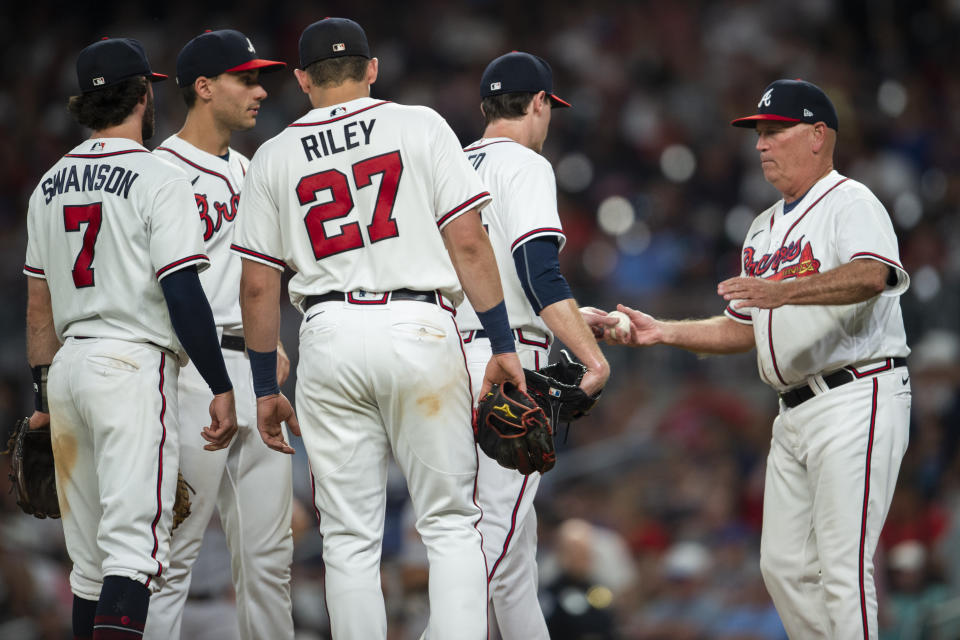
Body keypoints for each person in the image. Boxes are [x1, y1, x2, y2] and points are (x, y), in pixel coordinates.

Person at [231, 17, 525, 640]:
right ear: (371, 69)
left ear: (303, 79)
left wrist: (263, 385)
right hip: (420, 324)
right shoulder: (419, 124)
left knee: (347, 540)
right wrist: (502, 343)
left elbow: (257, 286)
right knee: (449, 523)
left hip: (329, 333)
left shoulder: (273, 153)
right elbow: (469, 243)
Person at [591, 79, 911, 638]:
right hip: (793, 409)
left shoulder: (851, 200)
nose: (762, 144)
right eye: (759, 134)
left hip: (859, 391)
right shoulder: (762, 229)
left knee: (843, 567)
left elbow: (874, 274)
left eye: (775, 132)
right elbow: (744, 329)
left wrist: (784, 291)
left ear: (817, 136)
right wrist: (662, 332)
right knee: (782, 567)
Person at [23, 37, 237, 639]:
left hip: (67, 372)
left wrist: (42, 399)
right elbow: (183, 291)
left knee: (89, 569)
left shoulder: (48, 184)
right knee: (134, 555)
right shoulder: (159, 175)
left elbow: (38, 304)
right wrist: (219, 382)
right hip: (131, 366)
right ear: (144, 94)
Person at [144, 30, 294, 640]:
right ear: (204, 88)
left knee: (269, 562)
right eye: (247, 79)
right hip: (186, 374)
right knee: (171, 556)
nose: (261, 91)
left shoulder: (251, 168)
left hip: (252, 371)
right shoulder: (155, 171)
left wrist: (272, 343)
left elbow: (256, 275)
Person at [458, 50, 609, 638]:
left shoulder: (452, 164)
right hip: (505, 361)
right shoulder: (523, 163)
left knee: (512, 557)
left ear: (484, 107)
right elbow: (536, 270)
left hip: (445, 350)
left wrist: (571, 321)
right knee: (494, 535)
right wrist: (589, 356)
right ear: (541, 103)